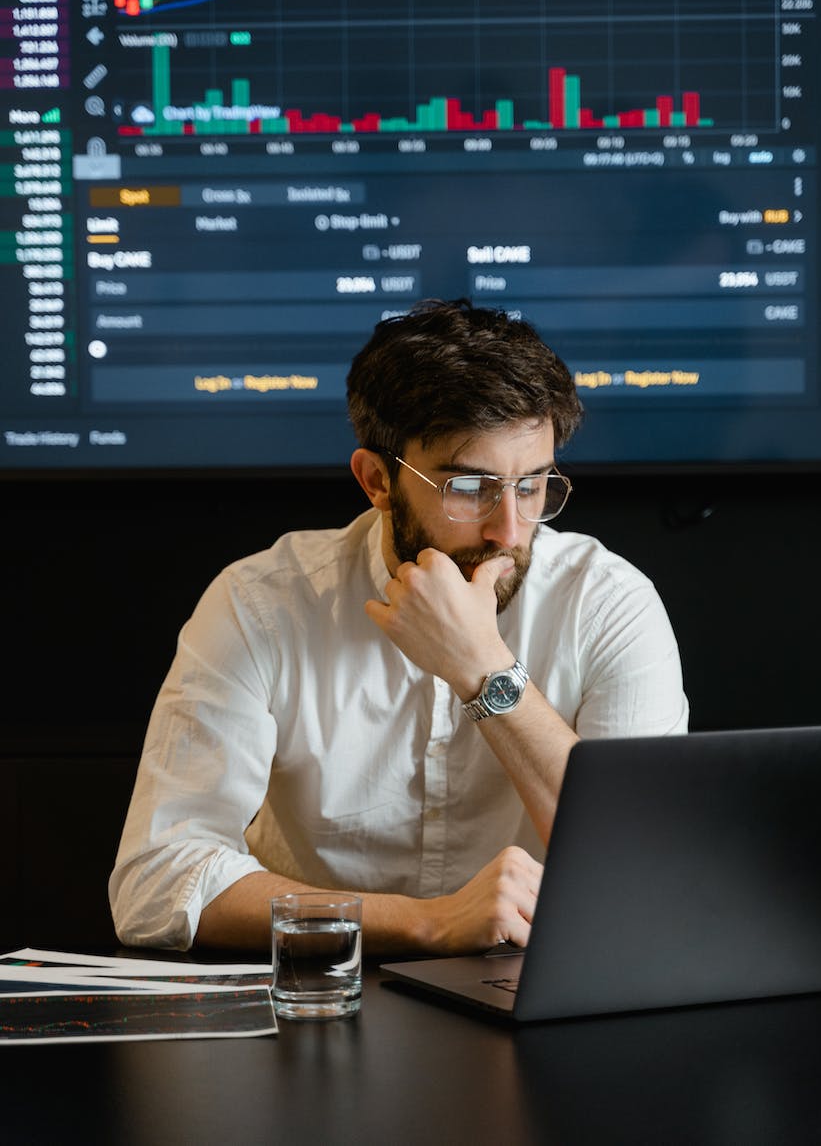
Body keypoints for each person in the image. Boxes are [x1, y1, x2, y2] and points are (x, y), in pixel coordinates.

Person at [109, 299, 688, 954]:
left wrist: (485, 674)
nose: (509, 530)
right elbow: (157, 882)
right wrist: (428, 923)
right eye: (470, 488)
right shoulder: (260, 603)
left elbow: (648, 869)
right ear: (377, 480)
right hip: (323, 993)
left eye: (531, 486)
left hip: (536, 993)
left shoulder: (609, 602)